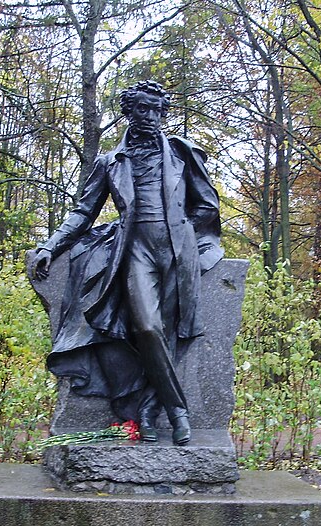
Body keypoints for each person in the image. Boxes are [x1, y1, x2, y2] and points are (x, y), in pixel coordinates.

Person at [30, 81, 223, 446]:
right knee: (148, 328)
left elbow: (208, 206)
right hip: (134, 250)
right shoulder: (110, 162)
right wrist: (51, 246)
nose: (150, 117)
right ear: (128, 112)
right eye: (142, 109)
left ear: (163, 114)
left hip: (178, 251)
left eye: (156, 110)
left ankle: (149, 411)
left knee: (167, 336)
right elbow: (83, 212)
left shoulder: (183, 154)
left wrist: (183, 230)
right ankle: (178, 411)